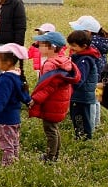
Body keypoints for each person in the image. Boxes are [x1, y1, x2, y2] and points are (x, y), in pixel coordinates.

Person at [29, 31, 80, 162]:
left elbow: (48, 87)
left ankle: (50, 156)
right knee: (54, 129)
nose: (38, 47)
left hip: (52, 103)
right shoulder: (64, 61)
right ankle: (55, 154)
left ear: (51, 47)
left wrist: (35, 99)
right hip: (60, 102)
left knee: (50, 130)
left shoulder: (51, 64)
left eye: (41, 44)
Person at [0, 43, 32, 166]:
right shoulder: (17, 76)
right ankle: (14, 162)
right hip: (14, 118)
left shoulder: (5, 80)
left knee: (6, 145)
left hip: (5, 119)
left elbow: (0, 101)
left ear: (7, 62)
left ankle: (8, 167)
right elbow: (24, 96)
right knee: (14, 143)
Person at [70, 15, 108, 129]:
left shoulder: (89, 45)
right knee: (97, 101)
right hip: (101, 77)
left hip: (91, 79)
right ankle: (97, 124)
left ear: (88, 32)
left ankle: (92, 126)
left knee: (92, 103)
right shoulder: (102, 42)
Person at [67, 30, 100, 140]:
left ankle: (84, 139)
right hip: (79, 95)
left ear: (84, 46)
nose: (71, 48)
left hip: (81, 96)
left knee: (80, 119)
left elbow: (79, 79)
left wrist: (68, 86)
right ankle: (81, 137)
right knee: (77, 118)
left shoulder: (84, 60)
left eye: (74, 46)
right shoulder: (80, 57)